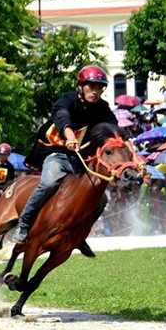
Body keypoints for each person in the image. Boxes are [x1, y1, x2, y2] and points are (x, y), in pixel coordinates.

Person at [13, 65, 118, 258]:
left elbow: (113, 129)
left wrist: (130, 150)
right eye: (91, 86)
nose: (95, 91)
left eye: (99, 87)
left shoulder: (102, 108)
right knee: (48, 183)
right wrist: (70, 137)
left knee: (101, 199)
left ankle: (79, 236)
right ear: (81, 85)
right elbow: (63, 120)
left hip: (80, 159)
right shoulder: (66, 100)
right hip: (57, 154)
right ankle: (24, 224)